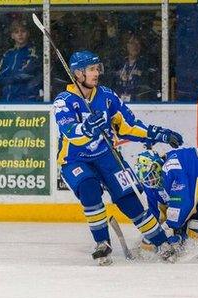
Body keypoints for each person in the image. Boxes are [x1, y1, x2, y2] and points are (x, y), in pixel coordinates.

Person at [52, 50, 184, 265]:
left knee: (130, 199)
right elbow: (69, 132)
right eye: (91, 69)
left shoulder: (106, 96)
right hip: (75, 159)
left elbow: (128, 126)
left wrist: (159, 133)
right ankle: (102, 243)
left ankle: (162, 242)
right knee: (89, 189)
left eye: (97, 69)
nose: (96, 73)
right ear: (77, 73)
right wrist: (85, 128)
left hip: (106, 155)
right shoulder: (64, 101)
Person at [0, 19, 42, 102]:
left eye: (23, 31)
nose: (20, 34)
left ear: (28, 33)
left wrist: (8, 79)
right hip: (6, 99)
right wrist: (7, 79)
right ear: (12, 35)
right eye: (16, 32)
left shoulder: (33, 52)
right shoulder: (8, 54)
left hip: (26, 98)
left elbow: (26, 74)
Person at [113, 33, 158, 102]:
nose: (135, 46)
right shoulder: (119, 63)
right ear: (126, 45)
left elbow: (149, 87)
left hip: (138, 103)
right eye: (131, 43)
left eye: (137, 43)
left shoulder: (146, 65)